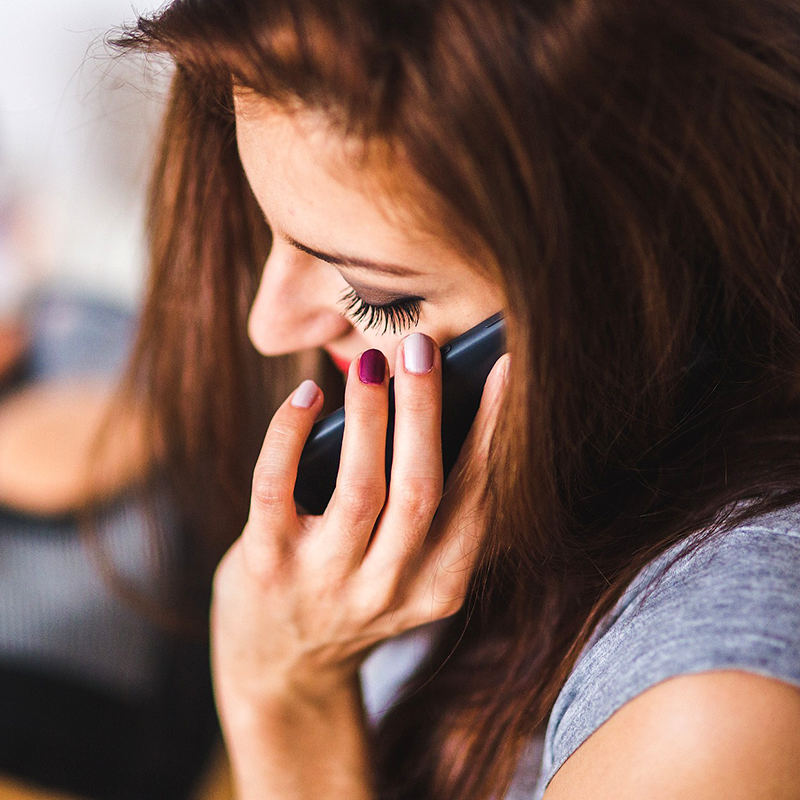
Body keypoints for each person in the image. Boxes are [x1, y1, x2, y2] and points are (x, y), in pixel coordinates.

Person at [110, 0, 800, 798]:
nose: (269, 324)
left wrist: (287, 704)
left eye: (377, 298)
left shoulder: (712, 723)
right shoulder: (499, 486)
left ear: (642, 292)